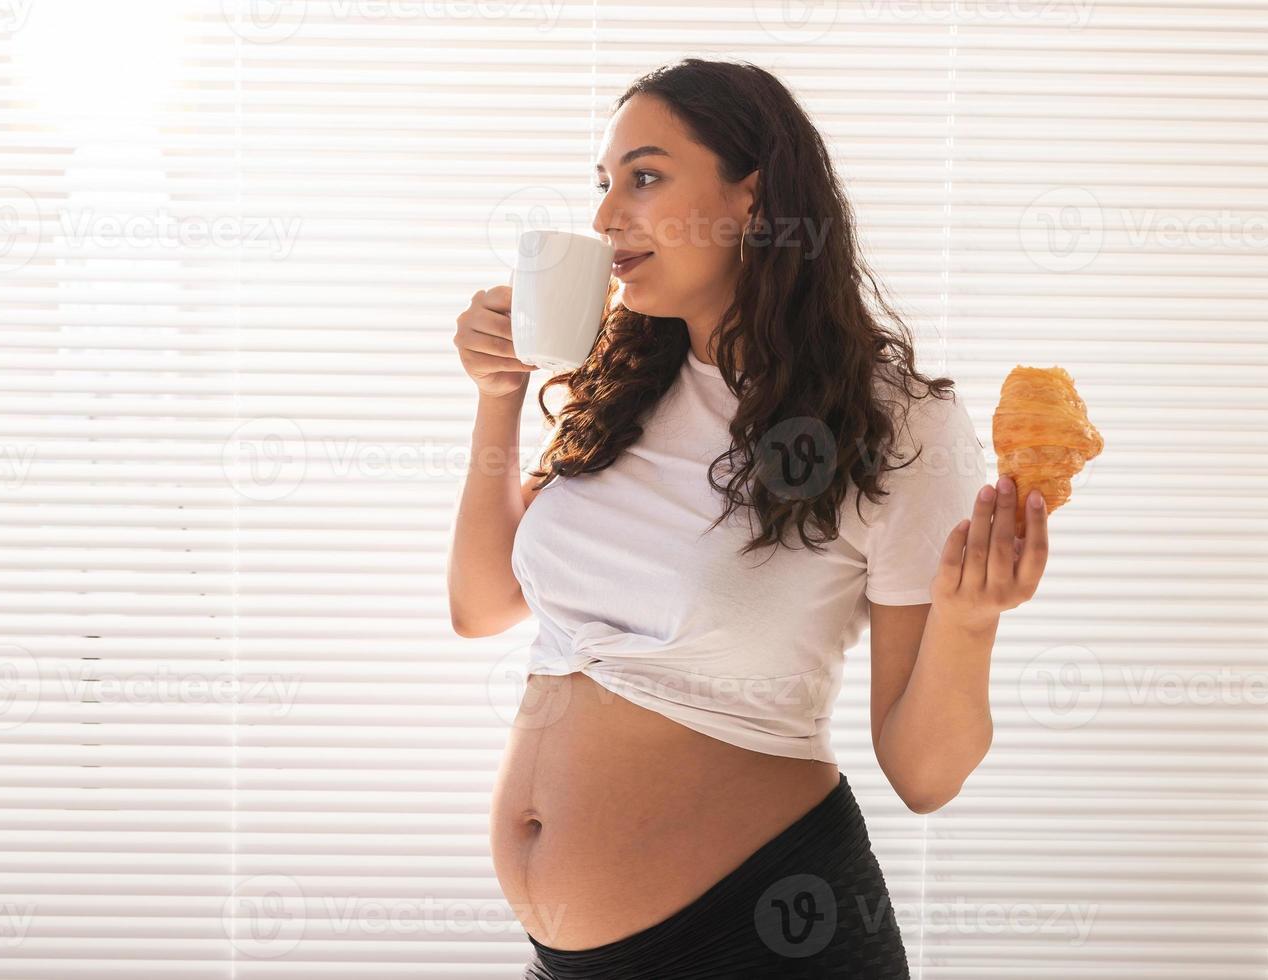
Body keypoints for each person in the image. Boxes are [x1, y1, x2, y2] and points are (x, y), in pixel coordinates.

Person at [447, 58, 1049, 980]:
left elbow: (924, 778)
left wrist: (970, 622)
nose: (607, 218)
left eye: (645, 178)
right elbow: (482, 605)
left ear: (753, 200)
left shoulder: (896, 426)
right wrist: (499, 393)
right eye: (602, 185)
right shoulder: (623, 390)